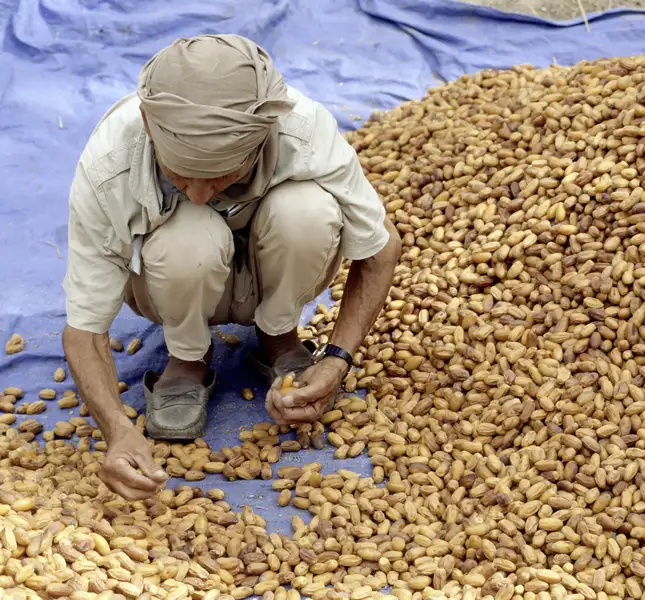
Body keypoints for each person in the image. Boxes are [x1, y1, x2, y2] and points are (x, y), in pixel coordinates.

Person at [61, 34, 402, 501]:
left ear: (262, 136)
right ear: (147, 122)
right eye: (180, 174)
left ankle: (278, 334)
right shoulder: (108, 162)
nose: (200, 194)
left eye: (222, 174)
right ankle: (187, 357)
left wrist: (337, 360)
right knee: (190, 232)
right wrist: (117, 430)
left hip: (274, 265)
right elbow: (84, 329)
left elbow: (381, 247)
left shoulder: (302, 128)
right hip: (173, 276)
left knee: (307, 212)